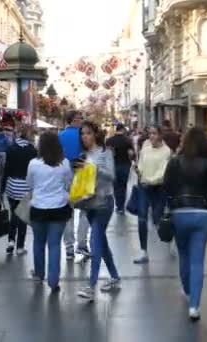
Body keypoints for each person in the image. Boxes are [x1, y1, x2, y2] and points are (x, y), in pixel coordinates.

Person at [163, 128, 207, 321]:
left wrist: (168, 208)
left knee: (183, 255)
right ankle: (194, 306)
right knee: (198, 261)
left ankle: (187, 290)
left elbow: (167, 188)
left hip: (179, 213)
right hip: (201, 213)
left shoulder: (174, 162)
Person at [77, 122, 120, 301]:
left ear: (95, 134)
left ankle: (91, 286)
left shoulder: (105, 153)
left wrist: (95, 169)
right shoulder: (82, 155)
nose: (84, 137)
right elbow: (79, 180)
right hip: (89, 203)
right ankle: (114, 276)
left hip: (104, 202)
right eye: (82, 134)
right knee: (101, 242)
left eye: (87, 133)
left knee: (95, 241)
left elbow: (112, 176)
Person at [26, 131, 73, 291]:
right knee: (54, 245)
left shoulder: (33, 163)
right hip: (59, 207)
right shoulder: (64, 163)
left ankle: (39, 274)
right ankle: (53, 281)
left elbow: (29, 184)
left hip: (38, 207)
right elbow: (68, 183)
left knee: (38, 242)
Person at [134, 126, 171, 264]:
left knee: (157, 220)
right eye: (150, 134)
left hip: (159, 189)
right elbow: (141, 165)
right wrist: (138, 172)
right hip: (144, 188)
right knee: (141, 219)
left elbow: (163, 172)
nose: (151, 136)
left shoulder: (167, 152)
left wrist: (150, 181)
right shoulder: (145, 150)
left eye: (154, 133)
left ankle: (170, 234)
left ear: (161, 135)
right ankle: (143, 251)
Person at [2, 125, 38, 256]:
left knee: (14, 214)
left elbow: (6, 169)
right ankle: (20, 247)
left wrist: (2, 187)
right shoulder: (32, 150)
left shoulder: (11, 148)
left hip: (12, 185)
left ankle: (11, 240)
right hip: (25, 187)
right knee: (22, 217)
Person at [59, 110, 90, 259]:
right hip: (82, 171)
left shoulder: (60, 136)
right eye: (79, 118)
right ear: (71, 120)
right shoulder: (85, 135)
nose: (80, 120)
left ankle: (69, 247)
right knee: (84, 210)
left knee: (68, 211)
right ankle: (82, 244)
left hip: (66, 172)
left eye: (81, 118)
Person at [106, 123, 135, 214]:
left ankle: (118, 206)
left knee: (116, 186)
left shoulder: (109, 140)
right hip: (125, 165)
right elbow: (131, 154)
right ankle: (121, 206)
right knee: (123, 186)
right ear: (123, 129)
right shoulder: (128, 140)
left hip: (113, 166)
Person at [0, 126, 14, 191]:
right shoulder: (5, 136)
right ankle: (4, 177)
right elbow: (9, 144)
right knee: (4, 165)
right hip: (4, 152)